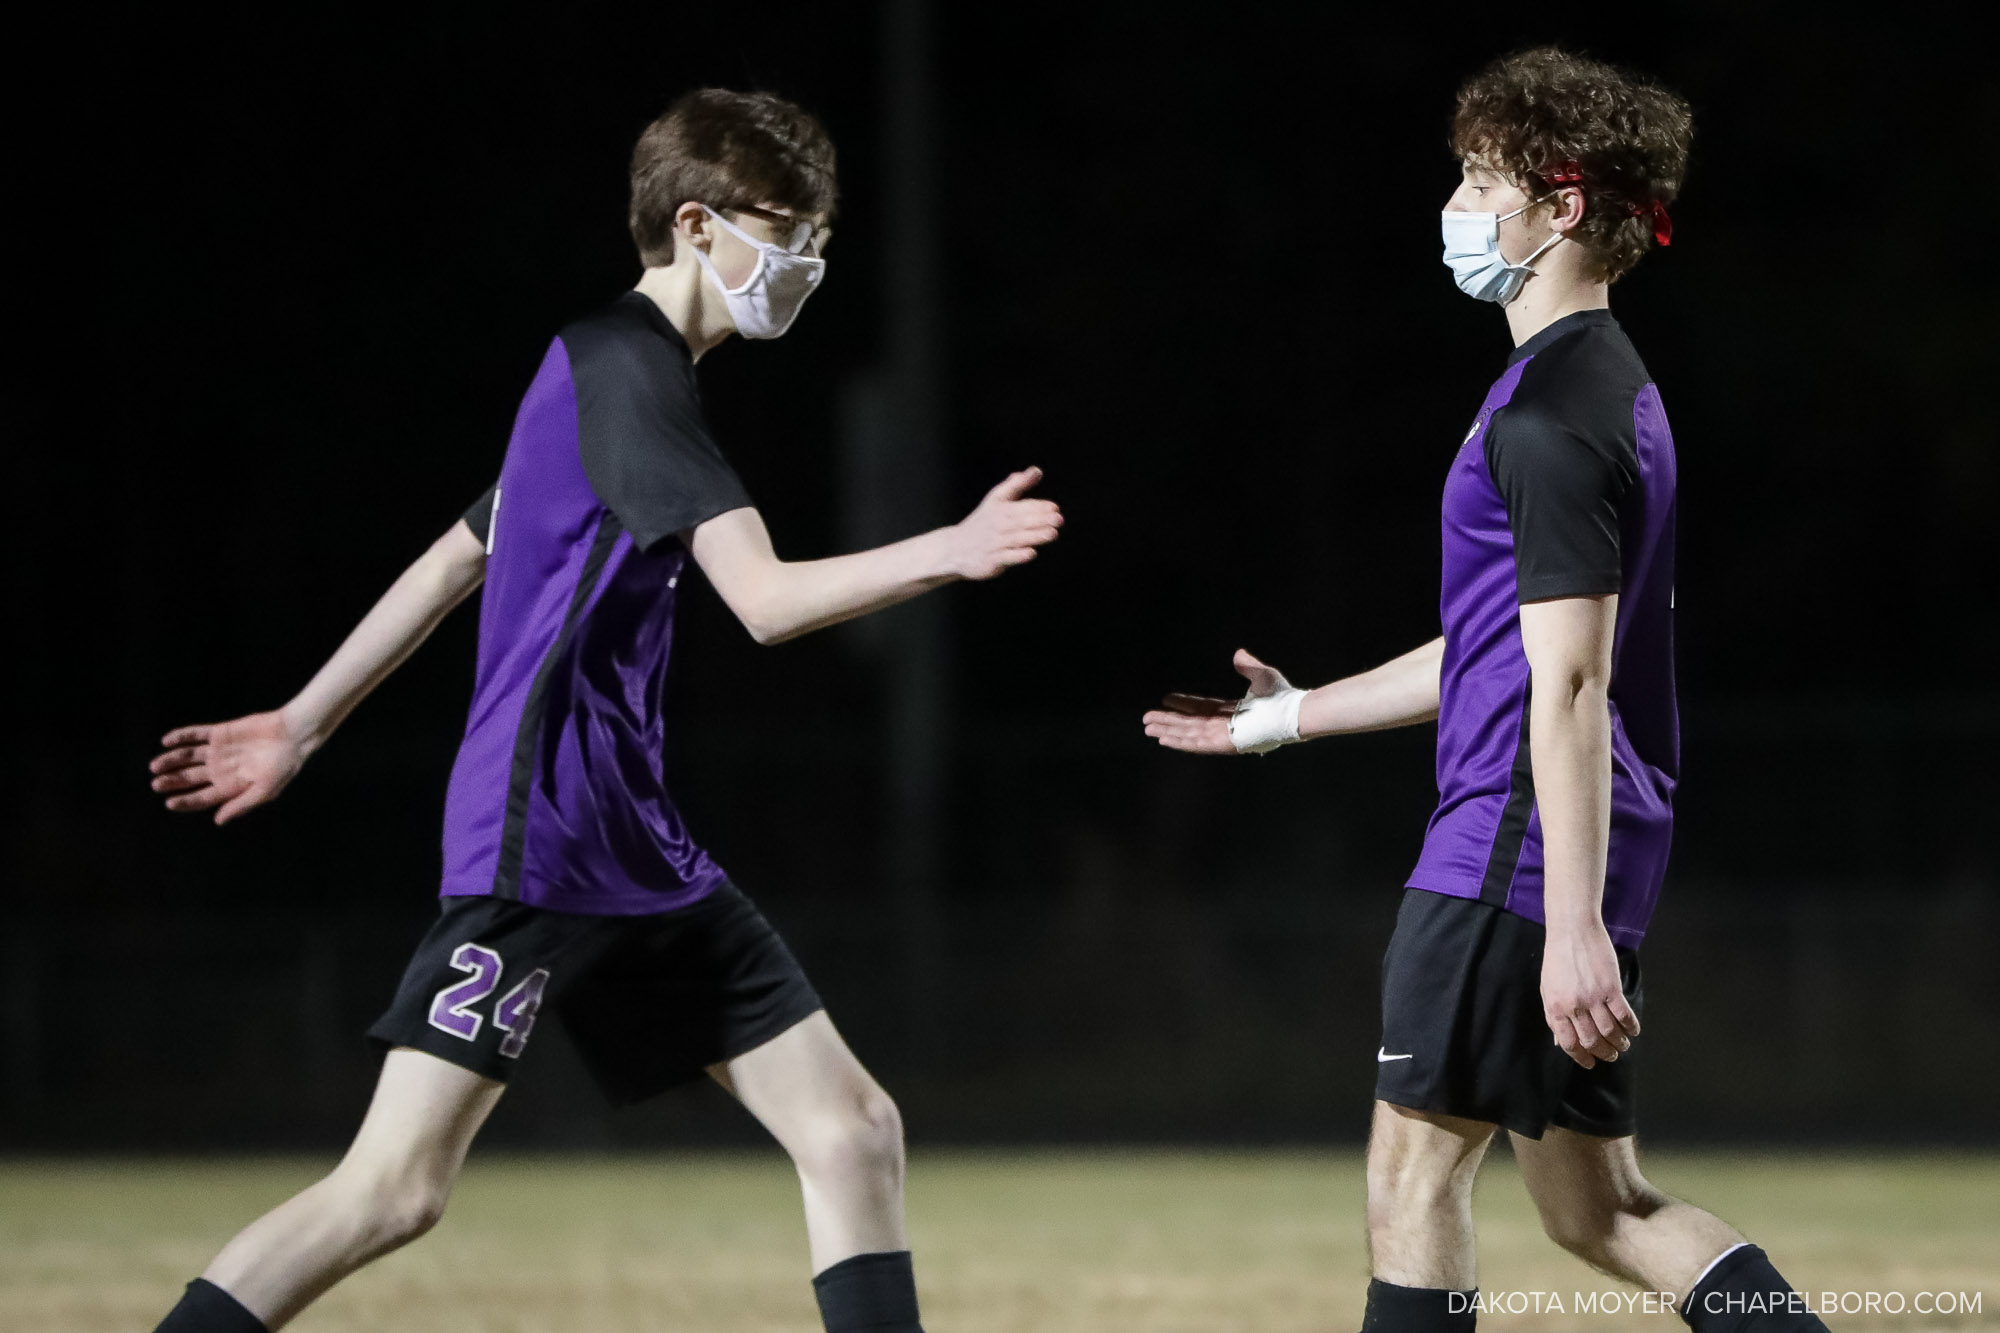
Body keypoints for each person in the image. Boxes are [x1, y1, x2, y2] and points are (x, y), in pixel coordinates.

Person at [146, 87, 1061, 1333]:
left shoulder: (597, 370)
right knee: (393, 1190)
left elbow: (458, 554)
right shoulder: (629, 375)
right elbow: (765, 602)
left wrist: (302, 722)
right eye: (784, 231)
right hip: (540, 840)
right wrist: (946, 551)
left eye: (818, 237)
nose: (806, 262)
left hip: (631, 841)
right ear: (694, 223)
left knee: (852, 1130)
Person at [1144, 48, 1831, 1333]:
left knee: (1411, 1175)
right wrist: (1283, 716)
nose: (1455, 205)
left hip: (1513, 844)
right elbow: (1503, 647)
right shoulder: (1596, 384)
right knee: (1600, 1212)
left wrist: (1569, 926)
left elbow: (1565, 682)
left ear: (1557, 208)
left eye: (1477, 180)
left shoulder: (1548, 417)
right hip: (1568, 836)